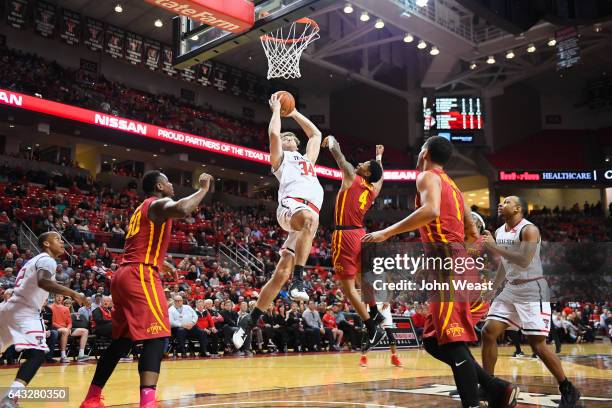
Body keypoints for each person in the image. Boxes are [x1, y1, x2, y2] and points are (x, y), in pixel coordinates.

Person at [363, 136, 518, 408]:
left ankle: (475, 401)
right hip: (452, 262)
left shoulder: (426, 177)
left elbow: (431, 210)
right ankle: (496, 388)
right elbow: (471, 232)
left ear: (425, 152)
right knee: (435, 342)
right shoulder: (454, 187)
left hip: (449, 265)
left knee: (451, 342)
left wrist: (386, 232)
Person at [79, 170, 213, 408]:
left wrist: (165, 264)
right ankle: (148, 403)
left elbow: (141, 243)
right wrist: (203, 189)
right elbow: (182, 209)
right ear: (160, 186)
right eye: (169, 181)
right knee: (158, 335)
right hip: (140, 275)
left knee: (122, 342)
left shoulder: (142, 208)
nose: (172, 185)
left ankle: (91, 398)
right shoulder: (158, 203)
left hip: (124, 274)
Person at [234, 93, 324, 349]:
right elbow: (273, 136)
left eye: (289, 137)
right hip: (291, 208)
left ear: (295, 143)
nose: (285, 138)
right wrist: (275, 110)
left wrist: (293, 112)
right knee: (308, 220)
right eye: (283, 137)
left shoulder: (307, 161)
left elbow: (316, 135)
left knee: (279, 273)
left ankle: (249, 320)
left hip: (308, 216)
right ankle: (300, 279)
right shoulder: (281, 161)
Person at [481, 196, 581, 408]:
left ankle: (567, 388)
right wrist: (493, 287)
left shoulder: (530, 230)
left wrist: (494, 247)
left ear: (518, 208)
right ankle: (488, 385)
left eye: (506, 202)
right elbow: (504, 264)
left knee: (538, 345)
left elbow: (524, 259)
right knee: (488, 332)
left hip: (531, 288)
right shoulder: (499, 232)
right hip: (510, 288)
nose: (501, 204)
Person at [0, 232, 86, 407]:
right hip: (24, 312)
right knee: (38, 353)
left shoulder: (34, 260)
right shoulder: (47, 259)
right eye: (57, 239)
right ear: (46, 244)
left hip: (9, 309)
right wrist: (74, 293)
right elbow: (44, 282)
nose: (62, 243)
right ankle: (10, 398)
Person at [322, 136, 386, 351]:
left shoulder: (351, 176)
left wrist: (332, 142)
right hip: (360, 234)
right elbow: (379, 180)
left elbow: (341, 159)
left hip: (345, 235)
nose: (359, 164)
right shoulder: (372, 190)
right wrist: (378, 159)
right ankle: (374, 311)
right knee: (361, 276)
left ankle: (371, 327)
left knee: (348, 289)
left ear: (366, 173)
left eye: (365, 165)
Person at [359, 302, 403, 367]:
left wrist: (388, 300)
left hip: (385, 307)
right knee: (367, 331)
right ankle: (363, 357)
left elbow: (390, 292)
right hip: (371, 306)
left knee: (389, 332)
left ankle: (394, 357)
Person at [50, 293, 90, 363]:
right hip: (56, 329)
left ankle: (81, 355)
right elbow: (52, 322)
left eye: (61, 296)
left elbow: (70, 322)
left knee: (85, 331)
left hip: (67, 329)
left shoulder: (66, 308)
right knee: (65, 331)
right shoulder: (50, 307)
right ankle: (63, 356)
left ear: (63, 298)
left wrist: (68, 328)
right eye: (57, 296)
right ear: (54, 297)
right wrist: (65, 329)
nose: (59, 298)